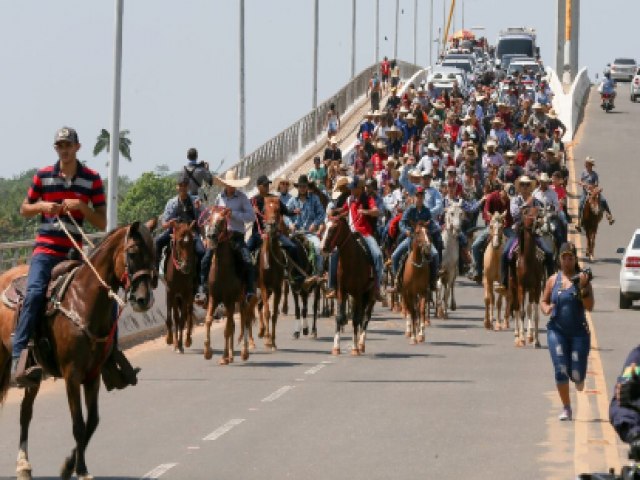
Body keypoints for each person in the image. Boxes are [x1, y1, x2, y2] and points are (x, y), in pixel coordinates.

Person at [11, 127, 137, 389]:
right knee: (34, 293)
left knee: (106, 295)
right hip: (46, 250)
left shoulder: (91, 179)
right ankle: (20, 357)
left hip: (74, 251)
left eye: (68, 145)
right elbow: (24, 208)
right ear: (56, 149)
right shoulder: (43, 176)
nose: (64, 150)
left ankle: (110, 356)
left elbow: (101, 220)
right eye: (59, 146)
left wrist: (81, 207)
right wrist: (42, 207)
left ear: (78, 148)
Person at [540, 242, 594, 421]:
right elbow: (543, 301)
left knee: (577, 376)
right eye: (564, 257)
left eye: (571, 258)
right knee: (560, 369)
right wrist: (546, 308)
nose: (567, 261)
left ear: (575, 259)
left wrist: (583, 289)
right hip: (557, 331)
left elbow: (589, 306)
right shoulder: (552, 280)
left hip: (579, 332)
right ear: (559, 259)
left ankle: (578, 376)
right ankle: (566, 408)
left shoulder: (582, 280)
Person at [199, 170, 256, 306]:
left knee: (248, 260)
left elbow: (251, 217)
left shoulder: (242, 197)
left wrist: (233, 214)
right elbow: (214, 215)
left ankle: (249, 292)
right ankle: (203, 290)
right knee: (205, 260)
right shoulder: (220, 197)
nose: (231, 187)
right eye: (229, 184)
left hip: (236, 236)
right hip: (219, 237)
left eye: (233, 184)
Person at [246, 175, 306, 289]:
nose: (267, 186)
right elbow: (247, 215)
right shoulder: (253, 201)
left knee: (293, 247)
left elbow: (286, 211)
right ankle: (249, 278)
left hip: (275, 233)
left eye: (268, 184)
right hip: (258, 233)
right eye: (265, 185)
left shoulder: (275, 199)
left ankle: (298, 276)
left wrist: (294, 212)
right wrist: (251, 211)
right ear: (258, 187)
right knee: (246, 250)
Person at [498, 175, 554, 292]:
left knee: (549, 252)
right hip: (517, 232)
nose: (525, 187)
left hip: (533, 231)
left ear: (530, 187)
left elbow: (541, 213)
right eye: (522, 185)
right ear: (519, 187)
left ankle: (551, 281)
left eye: (527, 185)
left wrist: (539, 216)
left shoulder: (536, 201)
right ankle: (504, 282)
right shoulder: (515, 200)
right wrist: (527, 205)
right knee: (505, 253)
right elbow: (515, 214)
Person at [155, 172, 206, 286]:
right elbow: (163, 222)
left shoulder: (195, 200)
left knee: (202, 252)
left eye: (185, 185)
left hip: (190, 232)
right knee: (157, 242)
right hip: (174, 230)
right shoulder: (171, 203)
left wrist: (204, 237)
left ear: (188, 187)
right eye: (181, 185)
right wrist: (169, 224)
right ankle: (155, 273)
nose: (183, 187)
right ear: (177, 186)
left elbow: (203, 218)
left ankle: (201, 283)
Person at [388, 186, 440, 292]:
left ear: (423, 198)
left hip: (423, 239)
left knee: (435, 255)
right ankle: (397, 281)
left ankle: (432, 281)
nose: (419, 198)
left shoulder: (427, 211)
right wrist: (406, 231)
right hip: (411, 238)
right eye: (418, 196)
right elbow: (402, 223)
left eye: (421, 196)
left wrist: (430, 229)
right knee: (395, 256)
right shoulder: (409, 210)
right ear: (414, 197)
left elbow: (431, 224)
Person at [340, 176, 384, 301]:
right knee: (334, 252)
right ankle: (333, 285)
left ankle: (377, 286)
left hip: (365, 233)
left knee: (378, 255)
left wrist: (365, 211)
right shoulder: (349, 200)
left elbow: (376, 211)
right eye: (351, 188)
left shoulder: (368, 199)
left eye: (353, 188)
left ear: (359, 188)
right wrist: (334, 211)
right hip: (351, 233)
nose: (351, 191)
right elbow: (344, 211)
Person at [468, 183, 514, 282]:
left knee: (516, 244)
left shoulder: (510, 201)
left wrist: (505, 224)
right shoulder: (492, 197)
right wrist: (492, 220)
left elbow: (510, 217)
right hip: (492, 226)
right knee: (475, 246)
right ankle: (477, 270)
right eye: (506, 194)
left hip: (505, 227)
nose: (507, 197)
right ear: (502, 190)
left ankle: (513, 272)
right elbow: (485, 212)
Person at [286, 175, 326, 284]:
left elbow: (322, 214)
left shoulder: (314, 199)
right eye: (300, 186)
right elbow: (285, 215)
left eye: (304, 186)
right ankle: (287, 276)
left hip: (310, 233)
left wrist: (315, 223)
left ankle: (318, 275)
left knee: (318, 248)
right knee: (284, 249)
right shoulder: (292, 201)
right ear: (297, 188)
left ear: (307, 187)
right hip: (296, 233)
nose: (302, 188)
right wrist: (290, 224)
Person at [576, 156, 615, 231]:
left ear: (591, 165)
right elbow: (580, 181)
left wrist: (592, 186)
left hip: (594, 192)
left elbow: (596, 184)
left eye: (589, 164)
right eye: (587, 164)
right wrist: (583, 184)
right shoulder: (583, 173)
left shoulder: (595, 174)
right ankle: (579, 222)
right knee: (581, 204)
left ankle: (609, 216)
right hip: (586, 192)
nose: (587, 165)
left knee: (603, 200)